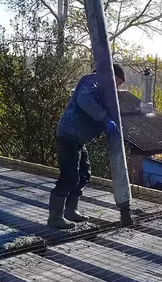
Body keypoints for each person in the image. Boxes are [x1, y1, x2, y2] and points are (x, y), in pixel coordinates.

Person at [47, 63, 126, 229]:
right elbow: (85, 101)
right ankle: (55, 216)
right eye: (119, 82)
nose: (118, 87)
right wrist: (105, 119)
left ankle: (70, 210)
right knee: (69, 175)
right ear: (114, 76)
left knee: (83, 175)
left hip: (78, 139)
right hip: (69, 134)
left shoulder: (101, 89)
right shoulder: (93, 81)